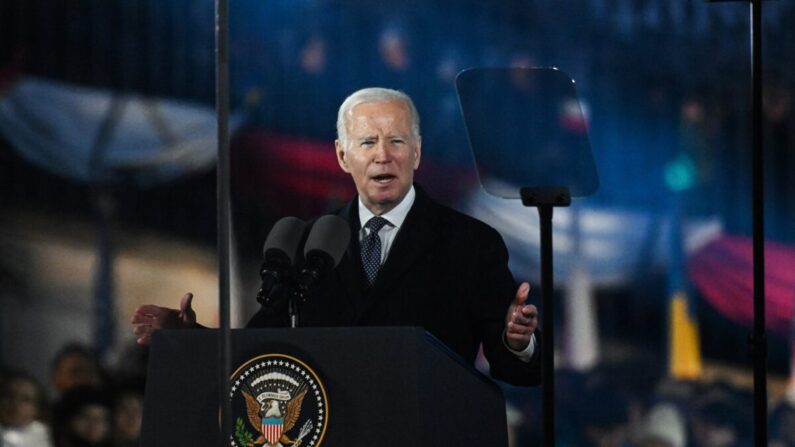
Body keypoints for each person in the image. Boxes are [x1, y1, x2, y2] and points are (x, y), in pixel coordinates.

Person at [132, 87, 540, 386]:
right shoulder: (310, 241)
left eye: (396, 141)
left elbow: (517, 367)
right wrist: (189, 338)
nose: (383, 154)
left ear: (416, 152)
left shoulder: (470, 243)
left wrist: (516, 340)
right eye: (367, 142)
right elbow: (260, 348)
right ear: (343, 156)